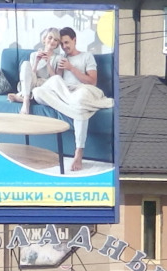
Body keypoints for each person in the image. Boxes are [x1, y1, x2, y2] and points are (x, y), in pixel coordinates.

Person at [16, 26, 112, 173]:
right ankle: (77, 108)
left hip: (83, 90)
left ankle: (78, 152)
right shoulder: (60, 58)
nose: (65, 46)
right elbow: (56, 80)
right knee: (38, 91)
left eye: (67, 42)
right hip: (65, 92)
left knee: (79, 99)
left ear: (75, 40)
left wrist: (71, 68)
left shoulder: (87, 56)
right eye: (62, 44)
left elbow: (92, 82)